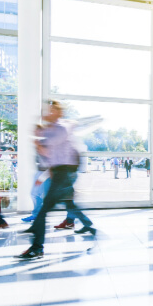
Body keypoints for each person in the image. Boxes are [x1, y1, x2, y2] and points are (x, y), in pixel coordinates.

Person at [16, 101, 95, 259]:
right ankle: (87, 226)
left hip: (64, 174)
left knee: (45, 209)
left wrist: (37, 141)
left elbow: (45, 148)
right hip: (59, 174)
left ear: (59, 113)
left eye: (52, 111)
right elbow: (47, 152)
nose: (48, 113)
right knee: (65, 203)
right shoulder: (52, 129)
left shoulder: (61, 128)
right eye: (48, 110)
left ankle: (37, 245)